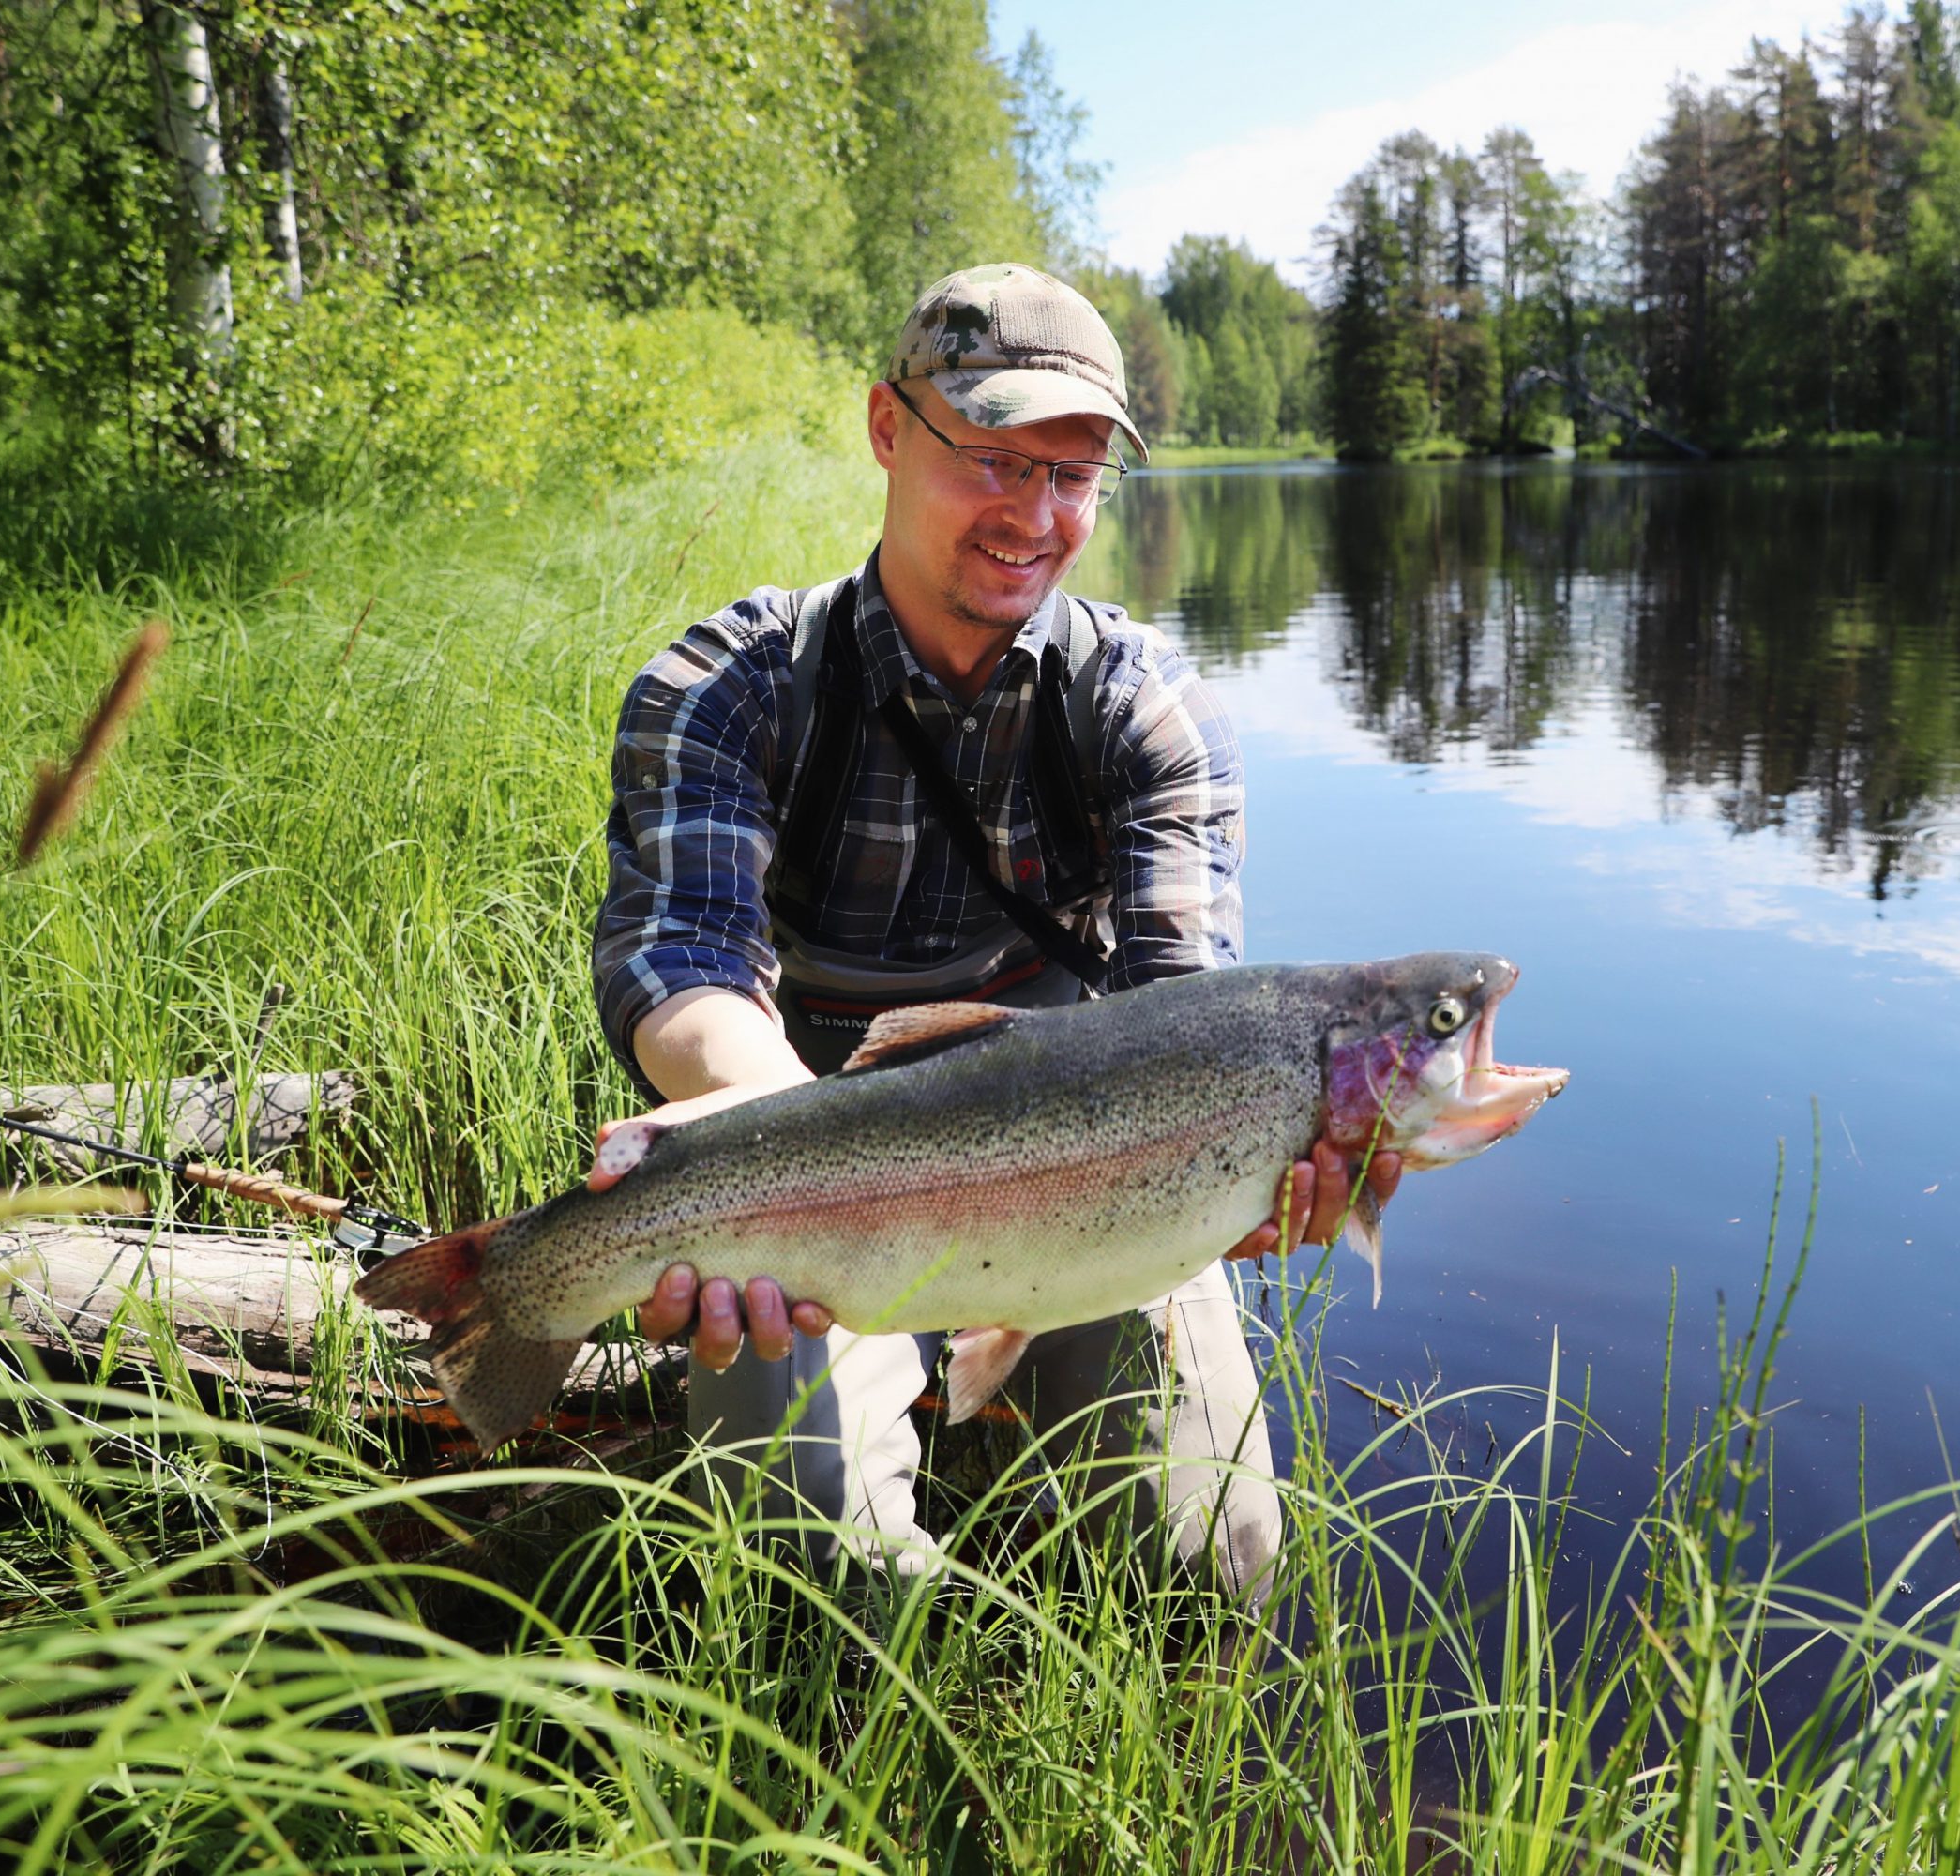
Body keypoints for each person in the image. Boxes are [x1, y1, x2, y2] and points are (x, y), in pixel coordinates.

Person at [586, 263, 1397, 1599]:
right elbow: (681, 961)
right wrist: (772, 1142)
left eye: (1073, 477)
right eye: (995, 460)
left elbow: (1189, 1011)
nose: (1035, 517)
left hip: (1087, 1154)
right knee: (811, 1555)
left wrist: (1256, 1165)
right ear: (888, 430)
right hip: (800, 1134)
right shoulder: (729, 689)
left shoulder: (1147, 708)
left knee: (1214, 1561)